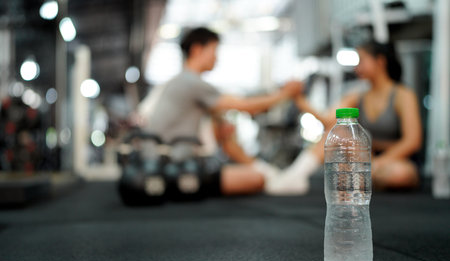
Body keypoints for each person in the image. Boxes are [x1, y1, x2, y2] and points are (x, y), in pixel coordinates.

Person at [142, 27, 302, 196]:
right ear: (197, 49)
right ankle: (272, 177)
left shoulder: (184, 82)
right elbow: (245, 105)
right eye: (214, 50)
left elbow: (229, 124)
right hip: (172, 167)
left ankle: (272, 175)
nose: (216, 57)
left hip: (169, 163)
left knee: (226, 129)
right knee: (256, 179)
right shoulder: (191, 82)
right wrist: (286, 94)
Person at [267, 40, 422, 194]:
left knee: (401, 174)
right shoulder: (358, 95)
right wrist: (298, 99)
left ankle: (362, 179)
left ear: (380, 61)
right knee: (337, 132)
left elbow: (412, 141)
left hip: (394, 160)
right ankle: (297, 175)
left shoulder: (403, 95)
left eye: (361, 61)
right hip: (368, 158)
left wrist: (380, 163)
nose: (356, 68)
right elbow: (328, 120)